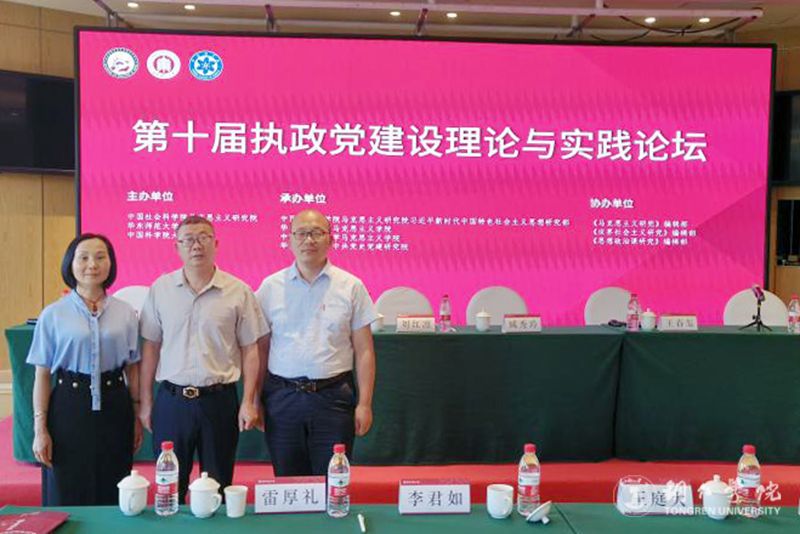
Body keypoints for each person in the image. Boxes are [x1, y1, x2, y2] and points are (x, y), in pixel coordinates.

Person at [138, 215, 267, 502]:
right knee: (170, 487)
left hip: (218, 400)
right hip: (172, 401)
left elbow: (250, 350)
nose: (196, 245)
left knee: (217, 485)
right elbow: (150, 348)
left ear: (216, 243)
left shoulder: (238, 291)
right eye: (188, 240)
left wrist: (248, 401)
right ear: (177, 247)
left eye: (203, 238)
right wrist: (146, 403)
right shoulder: (161, 289)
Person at [256, 209, 377, 476]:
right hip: (282, 398)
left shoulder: (351, 286)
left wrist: (365, 404)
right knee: (288, 482)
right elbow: (260, 349)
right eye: (301, 233)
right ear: (289, 240)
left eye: (316, 233)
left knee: (333, 481)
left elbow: (364, 350)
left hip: (333, 398)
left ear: (331, 240)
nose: (308, 240)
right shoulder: (270, 287)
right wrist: (254, 399)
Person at [28, 234, 141, 506]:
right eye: (84, 257)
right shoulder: (53, 314)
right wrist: (40, 428)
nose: (92, 264)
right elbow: (42, 375)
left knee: (114, 485)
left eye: (101, 257)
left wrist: (137, 415)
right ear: (71, 264)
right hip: (69, 406)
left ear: (111, 264)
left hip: (115, 405)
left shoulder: (126, 312)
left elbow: (133, 368)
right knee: (67, 486)